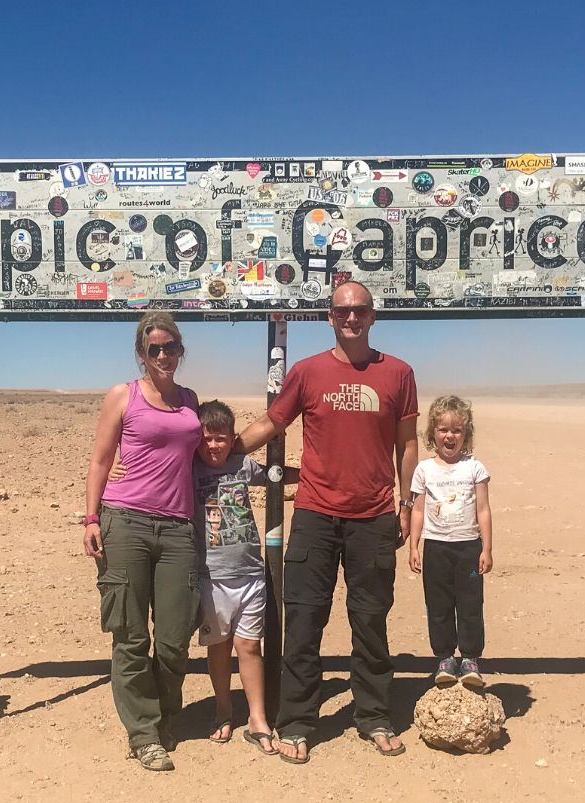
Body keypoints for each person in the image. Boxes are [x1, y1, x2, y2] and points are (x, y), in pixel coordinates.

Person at [235, 280, 419, 764]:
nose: (352, 318)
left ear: (373, 316)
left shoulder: (398, 374)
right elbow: (272, 423)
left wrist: (406, 503)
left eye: (360, 310)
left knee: (370, 621)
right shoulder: (307, 372)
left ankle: (375, 715)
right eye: (343, 311)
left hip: (374, 516)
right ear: (330, 317)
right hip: (316, 513)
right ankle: (297, 722)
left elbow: (408, 444)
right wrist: (221, 452)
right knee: (304, 621)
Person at [84, 311, 201, 773]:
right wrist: (92, 518)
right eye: (153, 348)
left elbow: (207, 450)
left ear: (180, 349)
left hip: (178, 529)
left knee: (174, 638)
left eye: (170, 346)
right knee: (131, 636)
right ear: (141, 354)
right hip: (125, 522)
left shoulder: (190, 400)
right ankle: (144, 732)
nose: (163, 355)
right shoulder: (123, 395)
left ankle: (166, 713)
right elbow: (99, 460)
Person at [192, 400, 298, 754]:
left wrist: (318, 472)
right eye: (207, 439)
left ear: (233, 438)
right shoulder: (189, 469)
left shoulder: (243, 465)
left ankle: (257, 718)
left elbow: (277, 475)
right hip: (212, 577)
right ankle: (223, 709)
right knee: (219, 647)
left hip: (252, 573)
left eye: (221, 439)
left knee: (250, 646)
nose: (214, 446)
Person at [408, 395, 493, 688]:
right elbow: (418, 509)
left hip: (468, 547)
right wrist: (414, 546)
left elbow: (483, 509)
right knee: (439, 604)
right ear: (433, 432)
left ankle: (470, 659)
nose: (450, 435)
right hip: (436, 548)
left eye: (457, 430)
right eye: (443, 429)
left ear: (466, 435)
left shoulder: (474, 468)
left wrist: (487, 548)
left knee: (470, 604)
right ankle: (444, 658)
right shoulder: (424, 470)